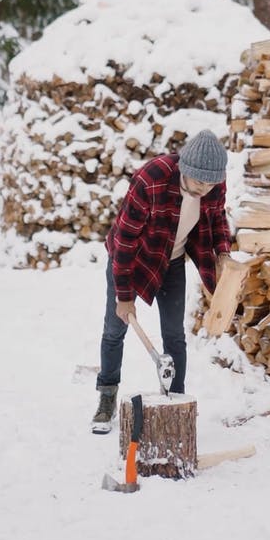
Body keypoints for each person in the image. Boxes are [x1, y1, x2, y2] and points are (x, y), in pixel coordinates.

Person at [91, 128, 231, 433]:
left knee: (174, 335)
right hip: (133, 257)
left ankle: (176, 401)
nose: (204, 189)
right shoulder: (151, 179)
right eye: (198, 182)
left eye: (211, 184)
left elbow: (218, 221)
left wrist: (222, 254)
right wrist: (124, 296)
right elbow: (125, 240)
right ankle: (106, 396)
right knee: (115, 329)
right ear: (184, 169)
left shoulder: (213, 184)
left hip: (172, 260)